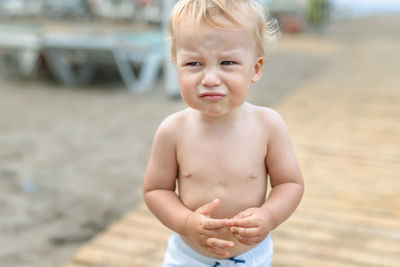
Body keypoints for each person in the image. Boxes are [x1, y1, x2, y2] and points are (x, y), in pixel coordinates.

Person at [143, 0, 304, 266]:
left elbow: (290, 184)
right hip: (189, 256)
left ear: (255, 68)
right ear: (176, 64)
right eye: (194, 63)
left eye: (227, 62)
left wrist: (269, 216)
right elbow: (156, 190)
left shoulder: (268, 126)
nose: (210, 78)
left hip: (252, 256)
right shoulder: (173, 130)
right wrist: (186, 221)